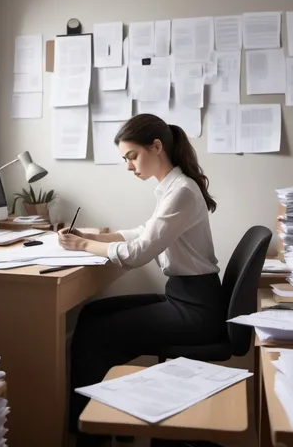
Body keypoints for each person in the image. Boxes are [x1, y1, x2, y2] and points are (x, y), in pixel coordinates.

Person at [58, 113, 223, 447]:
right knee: (92, 315)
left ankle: (93, 436)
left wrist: (83, 244)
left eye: (132, 156)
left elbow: (138, 253)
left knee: (96, 336)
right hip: (185, 297)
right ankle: (113, 424)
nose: (129, 166)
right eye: (125, 159)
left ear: (157, 147)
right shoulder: (171, 188)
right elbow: (144, 233)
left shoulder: (182, 192)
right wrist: (95, 237)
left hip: (197, 311)